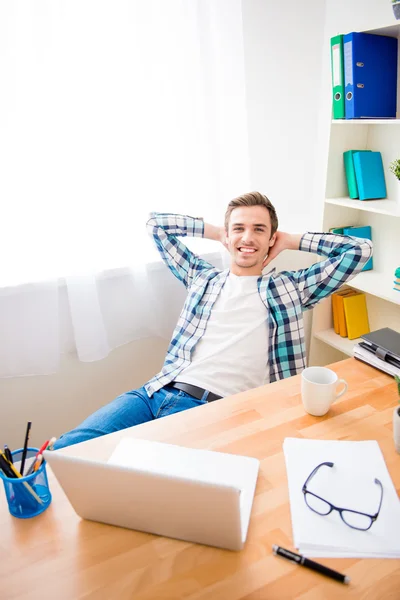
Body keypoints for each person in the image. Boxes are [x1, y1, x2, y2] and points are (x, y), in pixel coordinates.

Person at [53, 192, 372, 449]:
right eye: (240, 228)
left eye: (259, 229)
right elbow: (156, 226)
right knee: (64, 450)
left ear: (271, 238)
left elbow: (360, 250)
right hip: (156, 393)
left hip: (214, 410)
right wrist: (218, 232)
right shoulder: (201, 276)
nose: (248, 237)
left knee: (146, 483)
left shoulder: (291, 287)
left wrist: (290, 240)